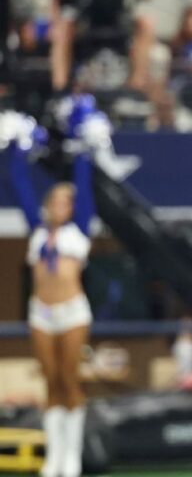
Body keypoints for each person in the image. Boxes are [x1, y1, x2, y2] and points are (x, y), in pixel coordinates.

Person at [0, 97, 107, 477]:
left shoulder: (79, 230)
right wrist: (18, 146)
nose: (61, 205)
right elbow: (18, 182)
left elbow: (83, 180)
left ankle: (72, 456)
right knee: (50, 383)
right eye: (56, 200)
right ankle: (54, 457)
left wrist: (81, 143)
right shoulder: (36, 231)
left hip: (72, 311)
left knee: (69, 380)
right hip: (41, 312)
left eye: (66, 201)